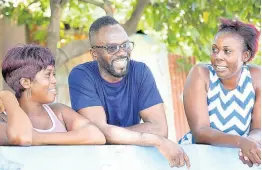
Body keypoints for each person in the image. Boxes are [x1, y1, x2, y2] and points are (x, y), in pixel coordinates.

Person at [68, 16, 190, 168]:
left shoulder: (140, 71)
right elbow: (99, 133)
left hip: (134, 159)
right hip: (97, 162)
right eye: (112, 48)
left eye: (125, 45)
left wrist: (114, 134)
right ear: (94, 54)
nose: (122, 53)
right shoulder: (81, 75)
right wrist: (155, 140)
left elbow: (160, 128)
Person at [179, 18, 261, 167]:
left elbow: (258, 128)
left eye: (227, 51)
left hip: (237, 159)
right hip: (197, 159)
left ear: (246, 56)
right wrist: (241, 142)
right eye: (215, 49)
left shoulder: (256, 77)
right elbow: (200, 132)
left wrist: (252, 143)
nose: (218, 56)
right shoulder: (201, 74)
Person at [1, 44, 106, 145]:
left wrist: (38, 138)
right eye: (48, 75)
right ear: (26, 82)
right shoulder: (3, 119)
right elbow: (22, 137)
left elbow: (96, 135)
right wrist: (8, 97)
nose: (54, 80)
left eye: (53, 74)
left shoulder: (59, 112)